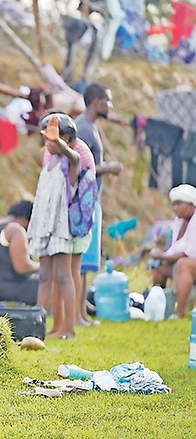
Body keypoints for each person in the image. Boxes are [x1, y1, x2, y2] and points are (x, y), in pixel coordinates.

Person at [27, 113, 81, 339]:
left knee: (64, 276)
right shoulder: (48, 162)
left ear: (66, 139)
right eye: (46, 140)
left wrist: (60, 144)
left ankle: (69, 328)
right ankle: (38, 326)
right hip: (43, 226)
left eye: (53, 140)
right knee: (44, 276)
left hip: (60, 227)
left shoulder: (69, 163)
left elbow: (76, 157)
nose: (48, 144)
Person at [42, 109, 96, 329]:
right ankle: (59, 323)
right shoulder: (51, 152)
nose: (46, 141)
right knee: (57, 275)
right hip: (57, 220)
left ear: (63, 138)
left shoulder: (79, 153)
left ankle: (71, 323)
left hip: (75, 221)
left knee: (72, 271)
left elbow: (76, 190)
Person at [76, 82, 122, 322]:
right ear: (97, 102)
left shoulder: (89, 126)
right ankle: (78, 314)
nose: (110, 106)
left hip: (91, 200)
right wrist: (109, 168)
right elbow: (82, 168)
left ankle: (81, 312)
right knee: (82, 260)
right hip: (85, 201)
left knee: (86, 260)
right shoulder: (83, 128)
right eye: (107, 100)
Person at [150, 184, 196, 318]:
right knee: (159, 268)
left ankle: (180, 312)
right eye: (173, 205)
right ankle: (159, 308)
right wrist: (160, 256)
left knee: (183, 264)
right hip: (188, 263)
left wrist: (162, 256)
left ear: (191, 204)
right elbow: (174, 249)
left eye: (179, 204)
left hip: (190, 263)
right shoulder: (179, 221)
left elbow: (189, 253)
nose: (175, 208)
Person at [0, 200, 40, 305]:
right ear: (26, 219)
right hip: (7, 286)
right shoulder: (16, 230)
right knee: (48, 280)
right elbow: (22, 267)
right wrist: (42, 266)